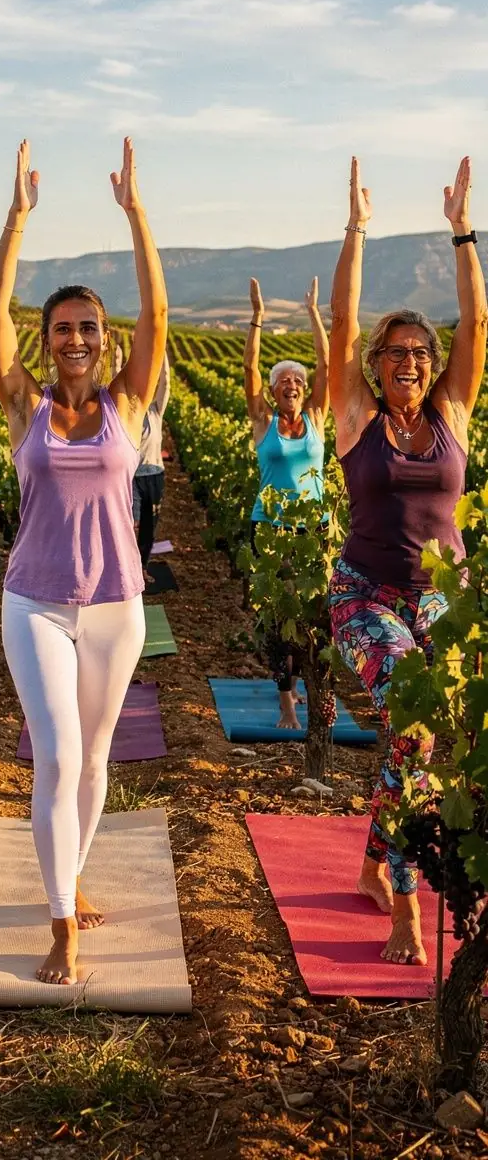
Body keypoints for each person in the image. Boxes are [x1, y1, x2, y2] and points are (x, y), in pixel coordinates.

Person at [0, 137, 167, 986]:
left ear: (105, 338)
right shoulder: (24, 403)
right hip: (36, 602)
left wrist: (135, 212)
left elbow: (158, 314)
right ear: (47, 340)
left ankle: (70, 874)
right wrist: (17, 218)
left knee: (95, 761)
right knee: (55, 757)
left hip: (117, 605)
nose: (76, 338)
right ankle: (62, 925)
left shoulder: (128, 400)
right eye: (62, 328)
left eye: (88, 326)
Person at [328, 155, 486, 966]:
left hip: (442, 603)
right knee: (414, 731)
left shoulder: (452, 410)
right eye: (396, 351)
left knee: (424, 741)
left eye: (422, 351)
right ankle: (406, 904)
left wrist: (462, 230)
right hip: (366, 597)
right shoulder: (357, 417)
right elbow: (341, 319)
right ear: (375, 362)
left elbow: (479, 322)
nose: (411, 362)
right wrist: (357, 228)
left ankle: (370, 863)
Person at [244, 277, 329, 727]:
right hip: (270, 528)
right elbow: (250, 370)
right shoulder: (264, 422)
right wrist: (258, 317)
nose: (292, 384)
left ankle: (308, 686)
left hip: (315, 528)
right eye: (283, 381)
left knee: (315, 613)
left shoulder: (316, 416)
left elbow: (326, 364)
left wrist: (314, 312)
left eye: (298, 380)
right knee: (278, 614)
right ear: (274, 392)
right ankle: (285, 698)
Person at [132, 351, 170, 578]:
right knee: (132, 524)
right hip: (133, 477)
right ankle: (127, 569)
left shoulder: (156, 411)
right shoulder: (130, 414)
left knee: (150, 526)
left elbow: (166, 382)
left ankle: (141, 568)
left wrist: (161, 352)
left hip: (156, 474)